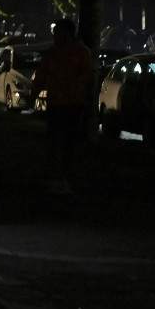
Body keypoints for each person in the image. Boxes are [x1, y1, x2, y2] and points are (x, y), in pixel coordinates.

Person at [29, 18, 93, 192]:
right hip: (60, 102)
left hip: (71, 103)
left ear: (67, 33)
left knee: (66, 143)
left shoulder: (77, 53)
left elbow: (85, 76)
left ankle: (63, 177)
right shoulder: (59, 53)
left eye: (57, 31)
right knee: (58, 142)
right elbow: (42, 75)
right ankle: (58, 177)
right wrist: (34, 94)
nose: (55, 35)